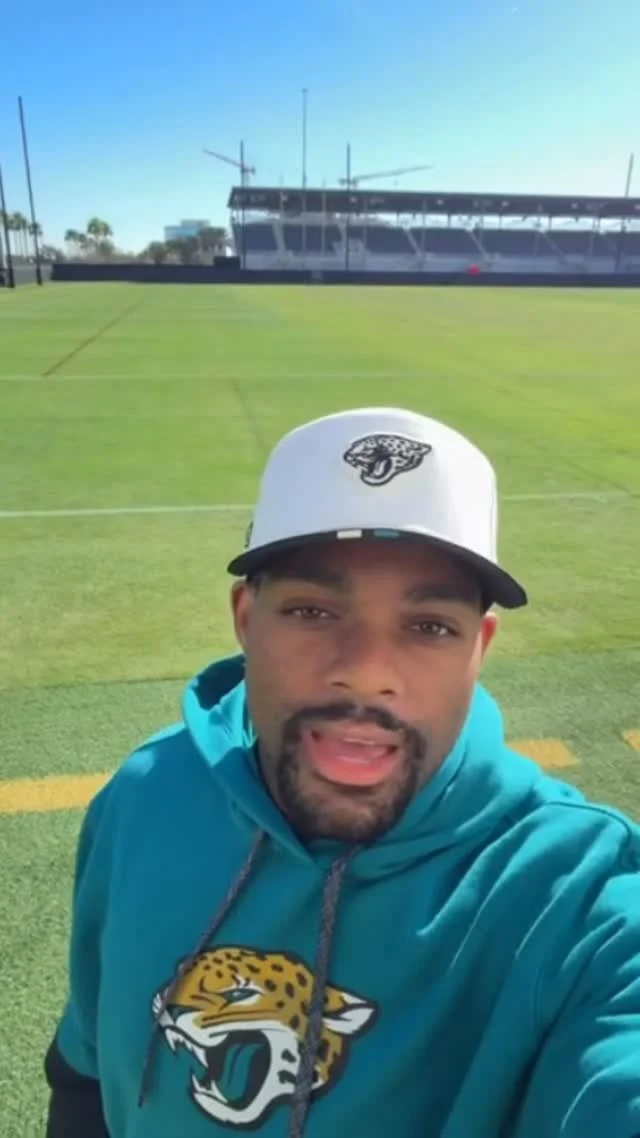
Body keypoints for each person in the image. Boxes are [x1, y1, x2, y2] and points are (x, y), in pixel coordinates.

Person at [44, 407, 640, 1138]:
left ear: (478, 648)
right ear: (246, 617)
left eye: (429, 627)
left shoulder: (578, 894)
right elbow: (84, 1073)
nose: (365, 671)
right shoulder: (146, 796)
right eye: (313, 611)